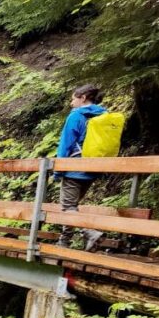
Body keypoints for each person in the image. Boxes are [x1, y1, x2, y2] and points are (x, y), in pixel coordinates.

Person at [55, 84, 106, 251]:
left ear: (83, 98)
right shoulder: (103, 115)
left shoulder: (76, 116)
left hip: (74, 168)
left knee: (68, 207)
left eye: (73, 99)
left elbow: (66, 143)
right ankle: (64, 241)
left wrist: (58, 168)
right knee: (72, 207)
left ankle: (90, 233)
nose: (71, 103)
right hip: (92, 169)